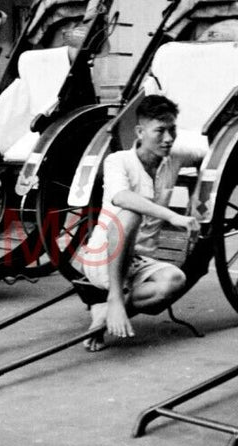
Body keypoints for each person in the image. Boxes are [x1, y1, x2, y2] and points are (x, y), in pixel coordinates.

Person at [80, 94, 197, 352]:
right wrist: (171, 216)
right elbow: (121, 197)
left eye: (172, 130)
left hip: (139, 261)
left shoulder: (174, 156)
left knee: (175, 280)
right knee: (130, 211)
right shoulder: (118, 160)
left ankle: (105, 310)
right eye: (160, 131)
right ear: (140, 132)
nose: (168, 139)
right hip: (105, 257)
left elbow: (214, 152)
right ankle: (113, 299)